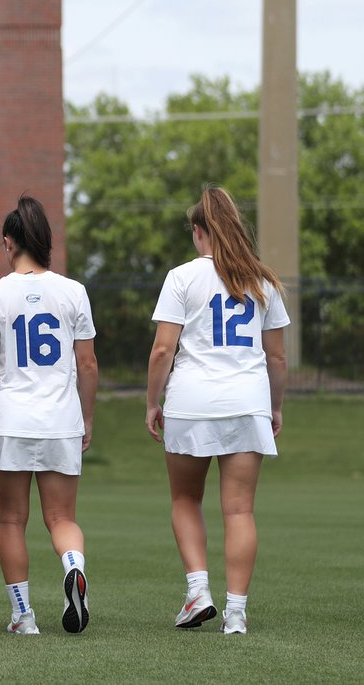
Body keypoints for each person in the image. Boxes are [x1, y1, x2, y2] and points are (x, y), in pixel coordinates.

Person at [146, 185, 288, 635]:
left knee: (186, 498)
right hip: (247, 404)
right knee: (240, 511)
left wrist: (153, 402)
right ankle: (237, 613)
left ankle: (198, 591)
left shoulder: (181, 277)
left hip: (190, 402)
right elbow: (278, 358)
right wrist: (275, 407)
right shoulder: (262, 279)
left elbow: (162, 350)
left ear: (199, 231)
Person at [0, 195, 99, 635]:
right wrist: (88, 418)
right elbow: (89, 365)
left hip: (10, 420)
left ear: (9, 242)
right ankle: (73, 566)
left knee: (12, 520)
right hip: (61, 418)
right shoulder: (74, 292)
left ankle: (24, 615)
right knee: (62, 519)